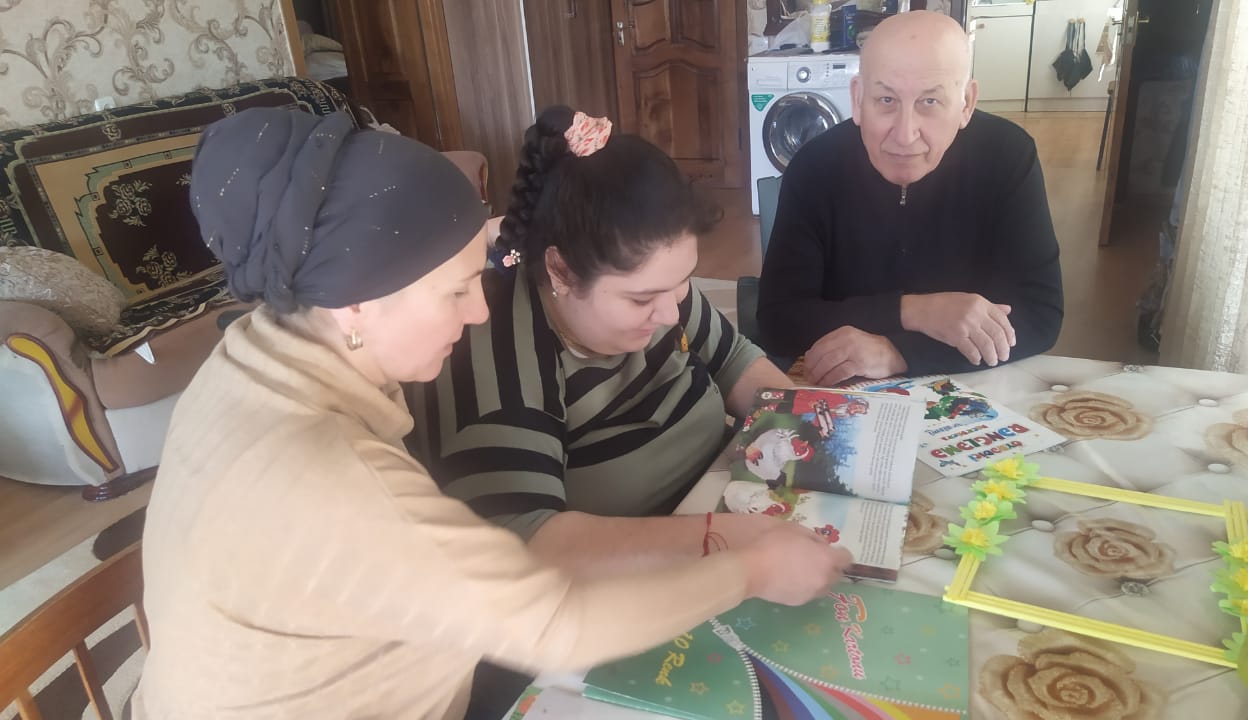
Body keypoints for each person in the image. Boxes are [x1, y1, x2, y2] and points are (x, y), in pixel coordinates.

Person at [133, 107, 851, 719]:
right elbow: (561, 621)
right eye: (455, 292)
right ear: (354, 304)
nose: (479, 310)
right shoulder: (339, 482)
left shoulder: (256, 350)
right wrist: (749, 568)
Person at [411, 106, 813, 573]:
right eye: (641, 299)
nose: (670, 314)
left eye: (682, 280)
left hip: (732, 505)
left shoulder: (659, 285)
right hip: (639, 575)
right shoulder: (502, 364)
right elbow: (530, 546)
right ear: (561, 271)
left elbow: (734, 359)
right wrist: (727, 543)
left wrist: (813, 433)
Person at [757, 11, 1064, 386]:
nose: (904, 135)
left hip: (973, 389)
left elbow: (1041, 313)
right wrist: (916, 311)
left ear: (966, 104)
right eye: (885, 99)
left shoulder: (1007, 156)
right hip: (844, 389)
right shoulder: (814, 166)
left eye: (930, 102)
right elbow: (778, 321)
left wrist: (897, 352)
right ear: (857, 99)